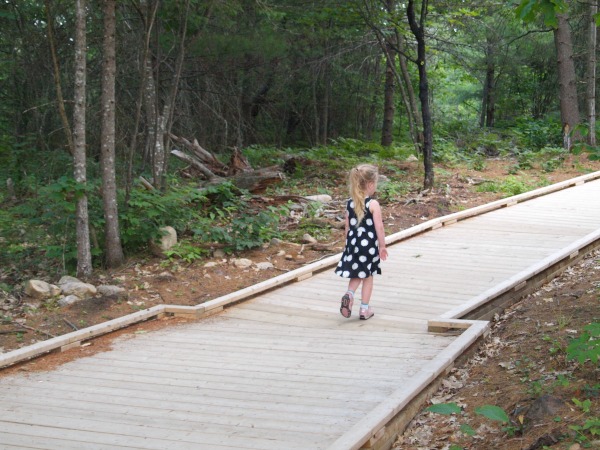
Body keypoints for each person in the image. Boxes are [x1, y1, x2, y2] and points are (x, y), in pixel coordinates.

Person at [335, 163, 388, 320]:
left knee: (357, 271)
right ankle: (364, 309)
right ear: (370, 184)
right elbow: (379, 227)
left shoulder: (350, 203)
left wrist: (347, 246)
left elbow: (347, 226)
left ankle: (349, 294)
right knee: (368, 275)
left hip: (353, 245)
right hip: (368, 247)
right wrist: (383, 246)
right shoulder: (373, 204)